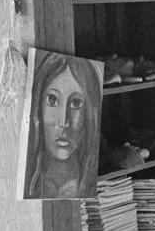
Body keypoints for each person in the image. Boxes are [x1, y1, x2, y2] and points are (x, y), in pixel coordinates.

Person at [24, 50, 102, 200]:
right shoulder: (27, 184)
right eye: (52, 100)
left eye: (76, 103)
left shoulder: (89, 187)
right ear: (37, 108)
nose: (64, 122)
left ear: (90, 116)